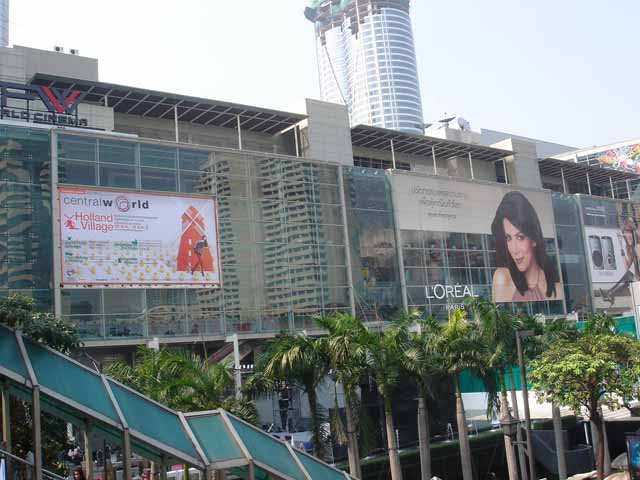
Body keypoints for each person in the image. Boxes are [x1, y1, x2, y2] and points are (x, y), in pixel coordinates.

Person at [491, 191, 562, 303]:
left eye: (520, 237)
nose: (514, 250)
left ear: (533, 239)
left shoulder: (556, 287)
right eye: (508, 238)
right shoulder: (503, 278)